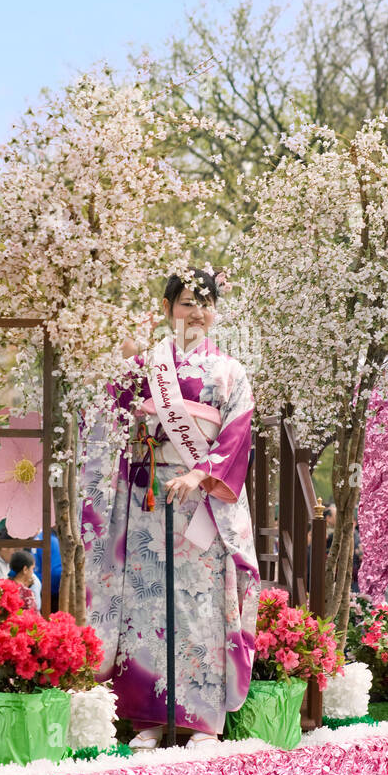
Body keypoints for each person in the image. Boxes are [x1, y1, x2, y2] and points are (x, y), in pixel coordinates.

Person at [83, 269, 259, 748]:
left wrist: (201, 474)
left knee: (200, 607)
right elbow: (104, 420)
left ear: (217, 310)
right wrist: (117, 370)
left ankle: (202, 721)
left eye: (205, 303)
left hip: (203, 503)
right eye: (185, 303)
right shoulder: (143, 367)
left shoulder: (231, 372)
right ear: (166, 309)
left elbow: (237, 435)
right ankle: (150, 717)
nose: (196, 312)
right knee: (148, 600)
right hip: (149, 498)